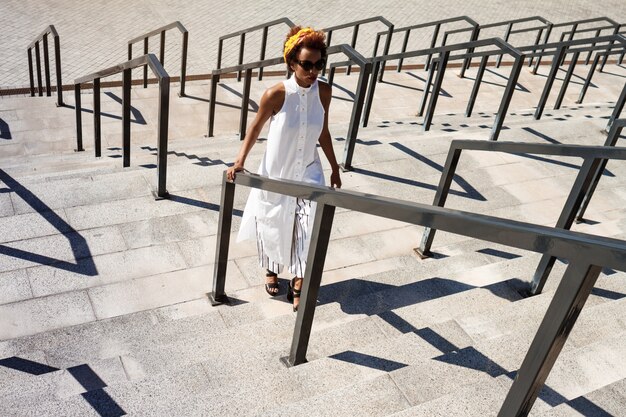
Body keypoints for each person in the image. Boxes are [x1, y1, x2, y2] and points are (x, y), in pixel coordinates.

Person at [226, 26, 342, 312]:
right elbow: (254, 128)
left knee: (308, 226)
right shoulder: (276, 94)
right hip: (277, 173)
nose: (313, 70)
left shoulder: (324, 91)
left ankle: (300, 282)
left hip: (309, 172)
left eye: (319, 64)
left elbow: (323, 132)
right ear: (292, 63)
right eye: (306, 64)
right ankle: (272, 270)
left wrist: (334, 167)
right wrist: (240, 160)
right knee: (274, 224)